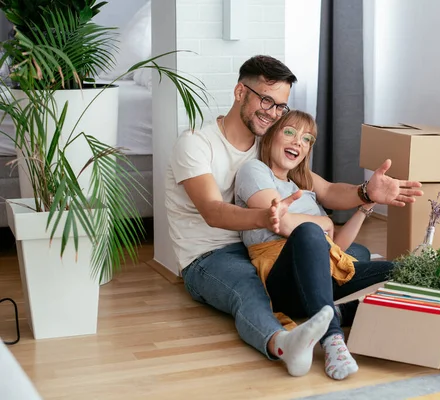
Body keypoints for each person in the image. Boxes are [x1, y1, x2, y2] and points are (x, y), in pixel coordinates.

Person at [165, 55, 423, 378]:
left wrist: (366, 194)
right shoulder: (196, 145)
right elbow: (213, 212)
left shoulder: (267, 143)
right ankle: (285, 344)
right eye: (266, 100)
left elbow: (326, 191)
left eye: (279, 107)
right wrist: (270, 219)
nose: (271, 113)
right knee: (249, 287)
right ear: (240, 92)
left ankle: (333, 310)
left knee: (350, 254)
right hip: (208, 255)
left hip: (264, 246)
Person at [234, 110, 399, 380]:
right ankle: (333, 341)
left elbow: (337, 250)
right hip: (282, 280)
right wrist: (323, 224)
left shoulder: (305, 187)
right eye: (290, 132)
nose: (298, 142)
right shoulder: (254, 170)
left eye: (307, 139)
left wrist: (364, 208)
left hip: (316, 276)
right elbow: (281, 222)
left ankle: (335, 311)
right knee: (310, 231)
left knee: (398, 270)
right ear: (271, 135)